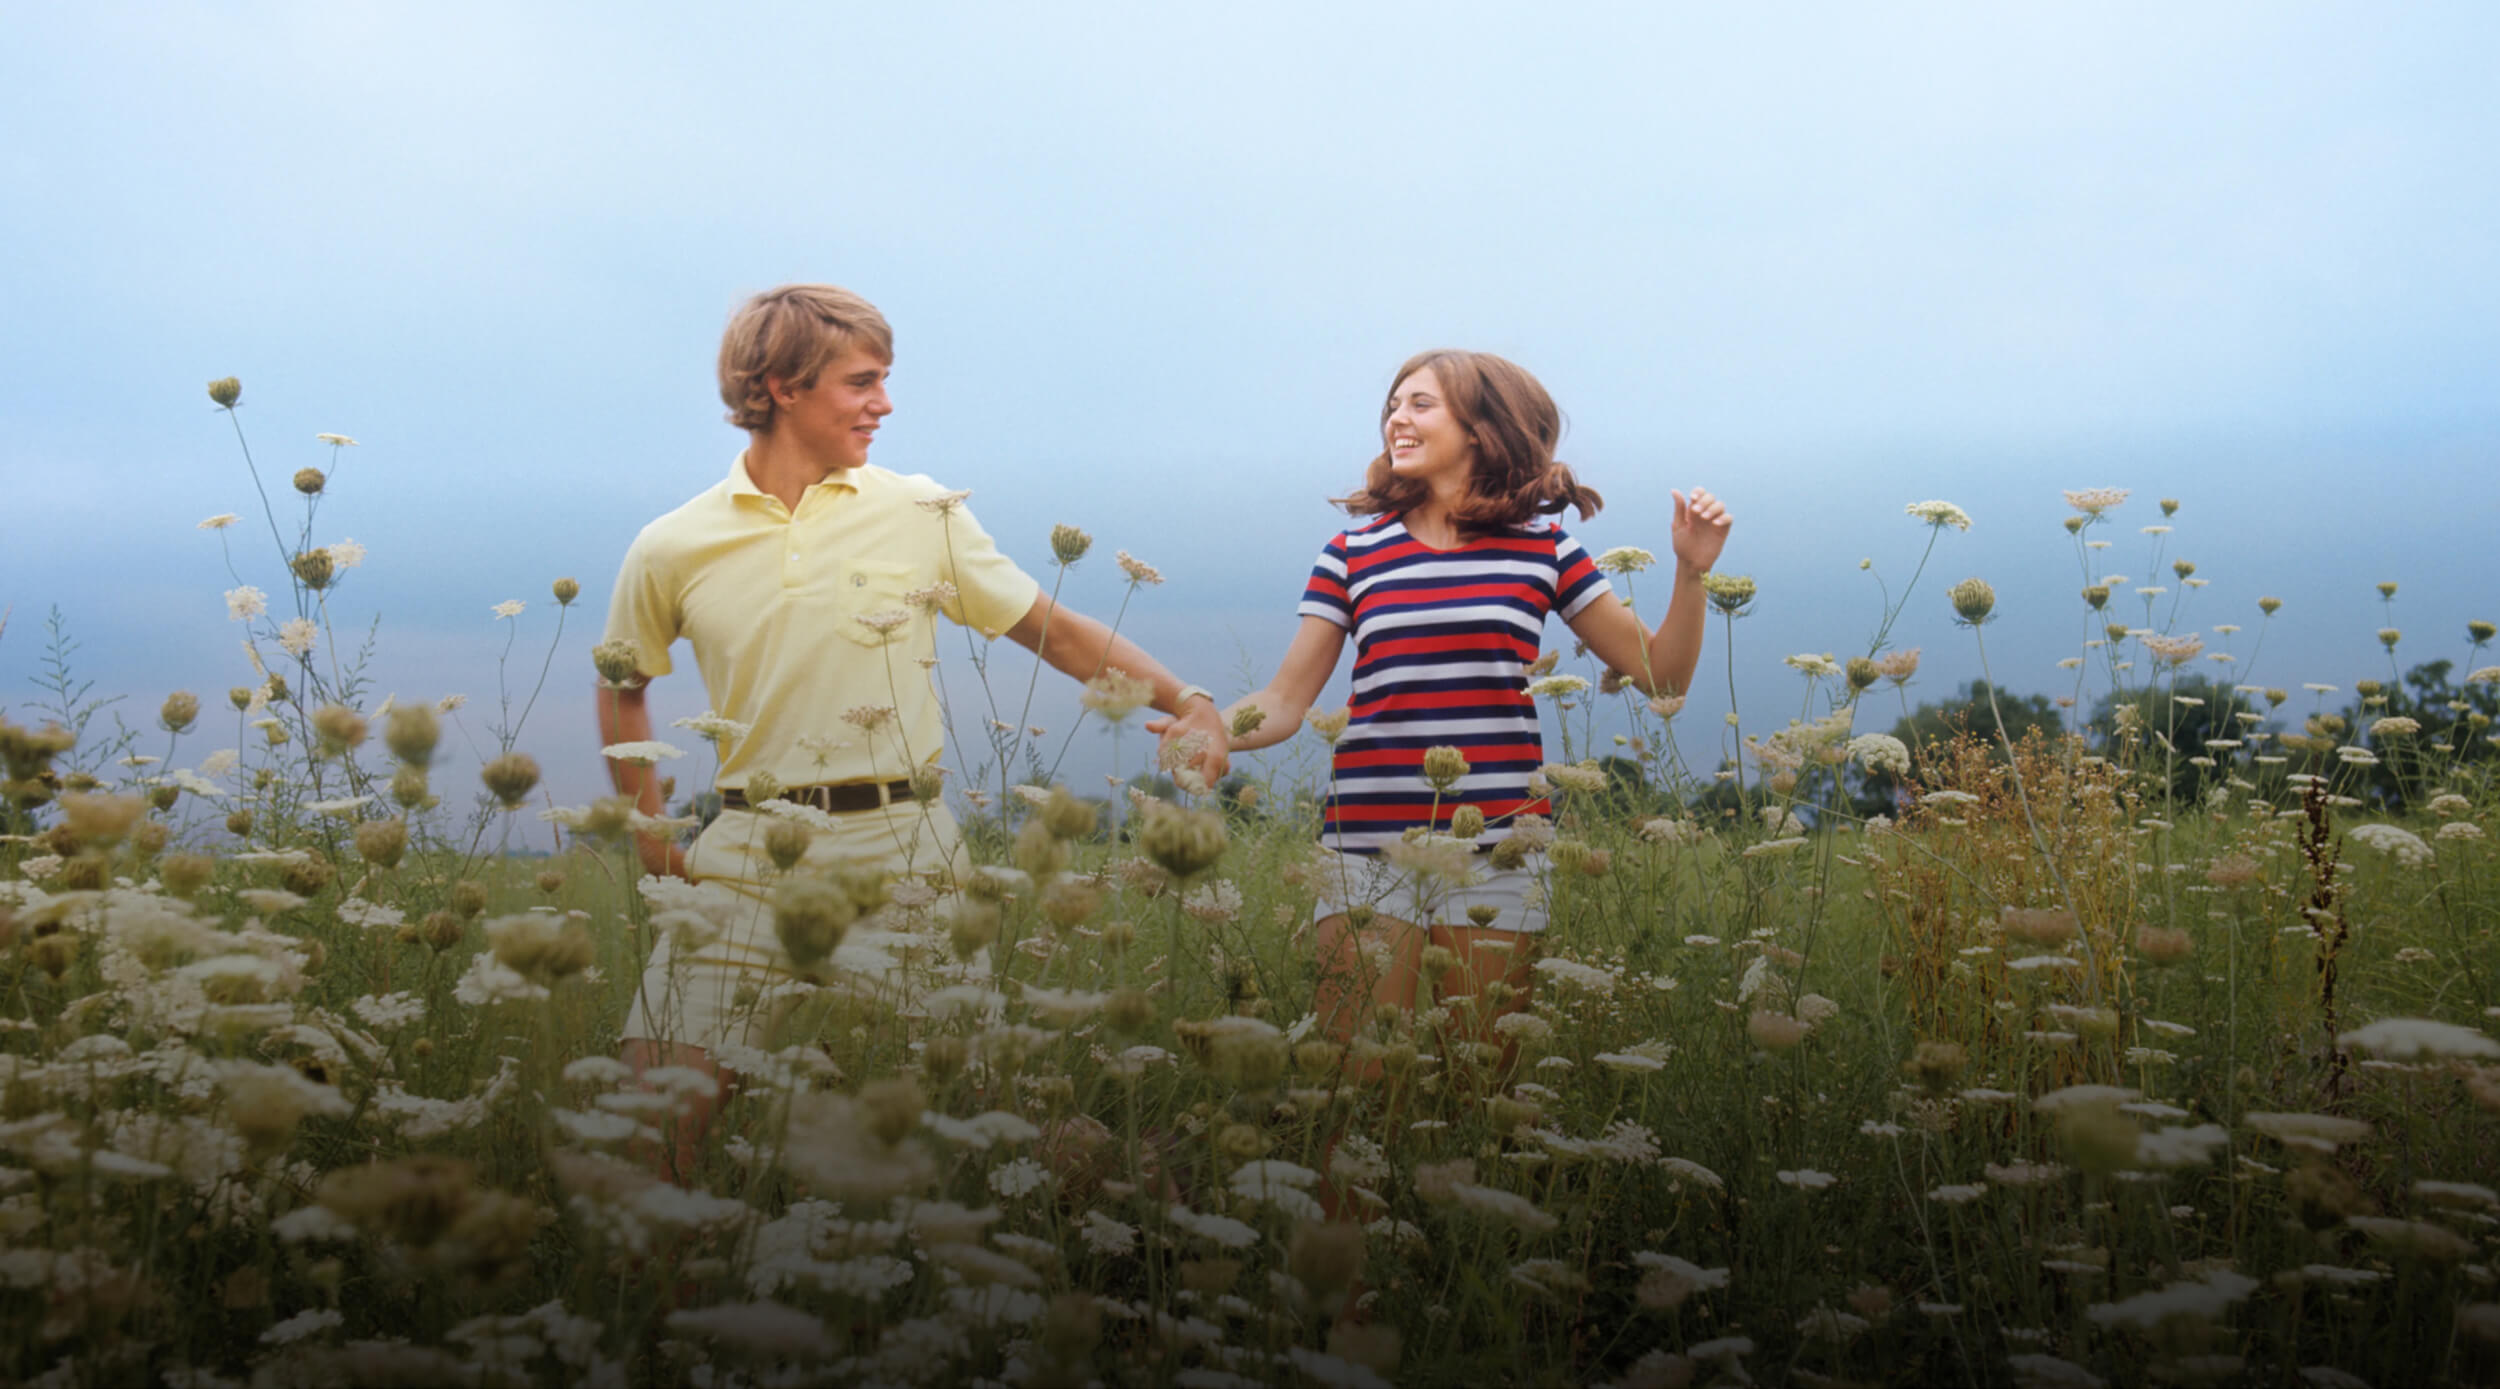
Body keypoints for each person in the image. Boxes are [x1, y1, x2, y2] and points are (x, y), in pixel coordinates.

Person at [596, 283, 1228, 1179]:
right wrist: (653, 838)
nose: (883, 404)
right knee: (651, 1129)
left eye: (884, 381)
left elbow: (1051, 626)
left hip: (910, 859)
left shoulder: (921, 509)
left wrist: (1186, 696)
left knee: (973, 1137)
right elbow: (623, 684)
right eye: (862, 382)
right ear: (781, 384)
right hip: (741, 862)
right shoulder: (672, 544)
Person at [1216, 348, 1731, 1103]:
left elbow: (1660, 675)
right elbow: (1287, 699)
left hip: (1501, 851)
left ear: (1483, 428)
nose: (1397, 416)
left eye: (1420, 403)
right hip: (1364, 847)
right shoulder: (1352, 552)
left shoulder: (1545, 549)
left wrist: (1691, 572)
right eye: (1393, 403)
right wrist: (1208, 726)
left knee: (1483, 1092)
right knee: (1357, 1093)